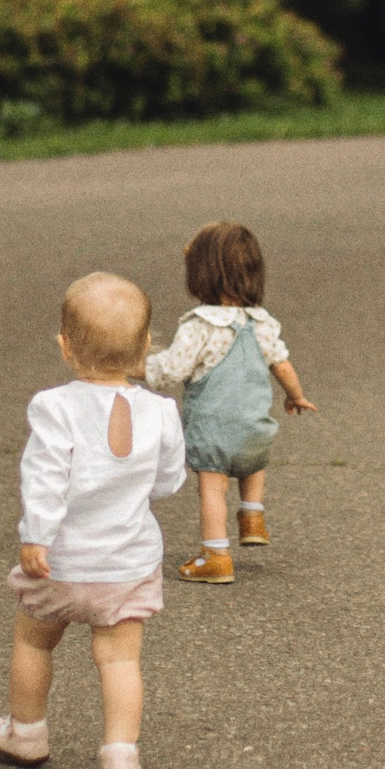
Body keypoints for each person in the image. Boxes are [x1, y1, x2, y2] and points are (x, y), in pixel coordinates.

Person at [0, 273, 185, 769]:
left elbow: (45, 475)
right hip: (127, 565)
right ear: (144, 347)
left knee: (33, 641)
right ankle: (120, 752)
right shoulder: (161, 411)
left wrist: (36, 535)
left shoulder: (56, 406)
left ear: (65, 347)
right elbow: (168, 481)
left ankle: (26, 733)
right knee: (119, 660)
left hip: (63, 563)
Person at [144, 221, 315, 585]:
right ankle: (252, 516)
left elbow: (174, 368)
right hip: (254, 429)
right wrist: (295, 395)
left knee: (213, 488)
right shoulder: (263, 323)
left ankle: (216, 555)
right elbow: (282, 364)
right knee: (253, 463)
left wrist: (141, 367)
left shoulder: (200, 324)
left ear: (201, 275)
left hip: (213, 431)